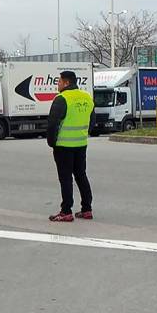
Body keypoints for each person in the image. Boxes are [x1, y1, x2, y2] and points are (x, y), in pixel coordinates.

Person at [47, 71, 95, 222]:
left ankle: (66, 210)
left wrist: (51, 142)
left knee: (66, 178)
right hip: (81, 144)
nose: (58, 84)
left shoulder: (61, 99)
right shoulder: (87, 97)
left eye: (59, 81)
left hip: (64, 145)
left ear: (66, 83)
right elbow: (92, 121)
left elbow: (53, 123)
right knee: (81, 175)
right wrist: (84, 134)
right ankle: (87, 209)